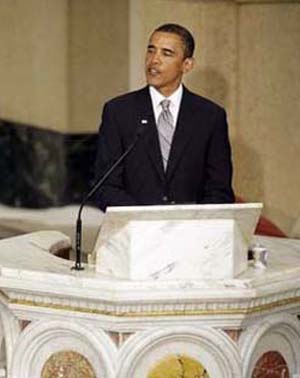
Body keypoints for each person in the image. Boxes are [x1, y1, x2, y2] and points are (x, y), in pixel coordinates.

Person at [95, 23, 234, 211]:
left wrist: (191, 223)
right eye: (151, 51)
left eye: (166, 53)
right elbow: (106, 187)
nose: (154, 60)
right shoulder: (118, 111)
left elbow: (219, 190)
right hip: (135, 232)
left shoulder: (210, 116)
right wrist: (146, 220)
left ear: (187, 65)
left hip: (190, 233)